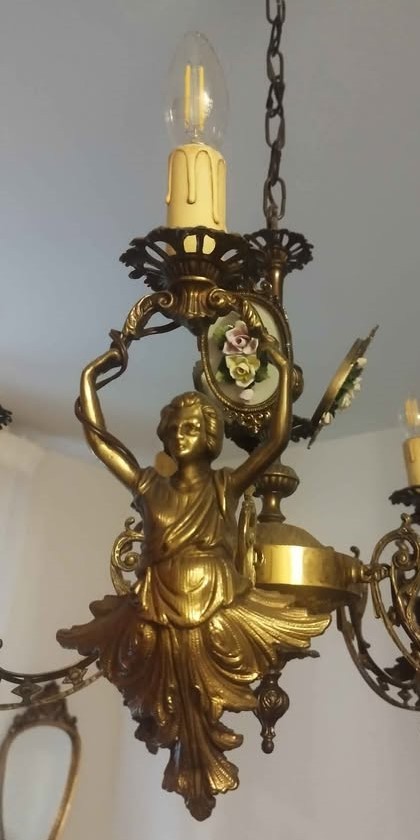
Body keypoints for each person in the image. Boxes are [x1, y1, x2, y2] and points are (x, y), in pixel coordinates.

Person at [58, 331, 329, 820]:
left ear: (209, 436)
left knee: (205, 675)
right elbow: (100, 441)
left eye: (191, 427)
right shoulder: (148, 486)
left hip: (216, 600)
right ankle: (185, 749)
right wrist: (90, 380)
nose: (180, 434)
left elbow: (275, 442)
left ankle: (199, 749)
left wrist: (283, 373)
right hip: (156, 603)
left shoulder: (226, 486)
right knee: (155, 669)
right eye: (174, 427)